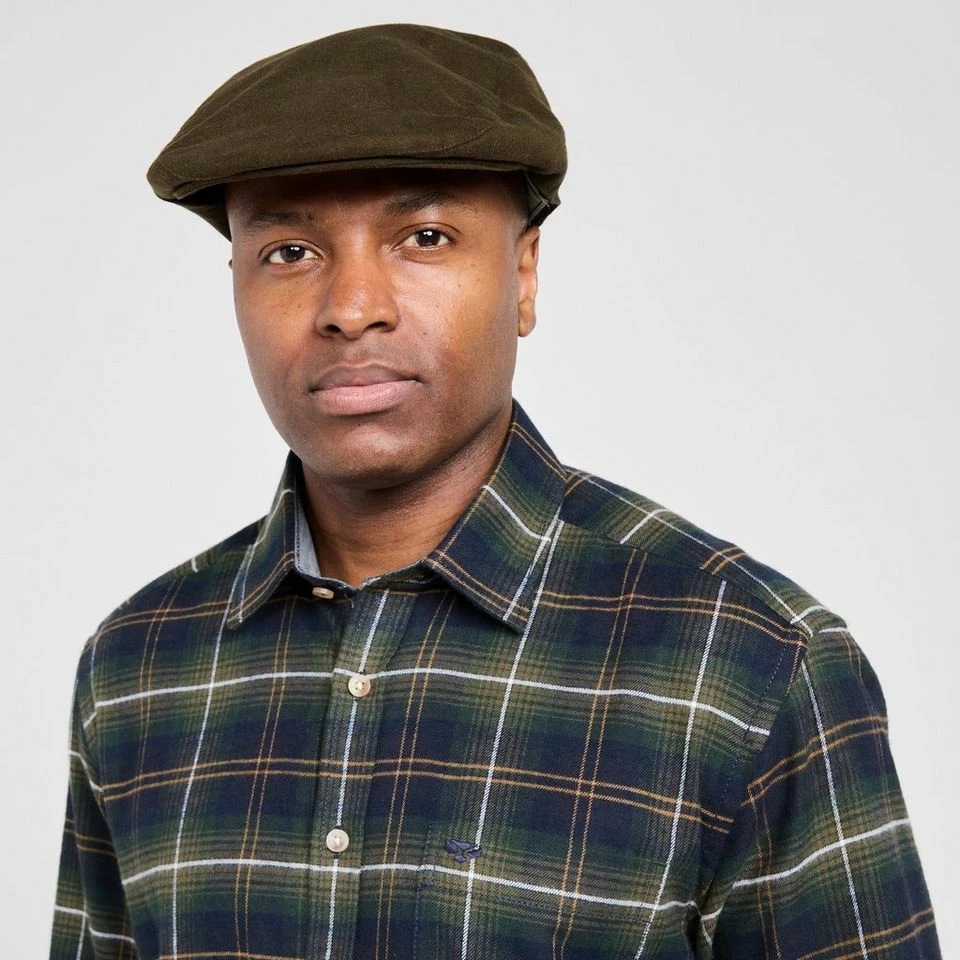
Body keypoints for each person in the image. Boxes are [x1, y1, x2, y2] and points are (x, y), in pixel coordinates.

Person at [50, 23, 941, 960]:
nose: (352, 307)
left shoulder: (752, 663)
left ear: (523, 276)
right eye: (289, 252)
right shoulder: (137, 667)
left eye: (424, 238)